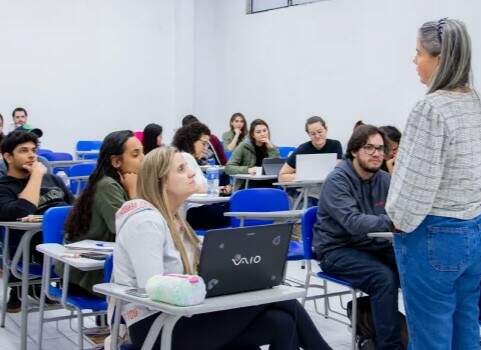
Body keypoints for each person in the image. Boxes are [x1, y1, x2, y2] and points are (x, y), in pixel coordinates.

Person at [113, 146, 333, 350]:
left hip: (188, 315)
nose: (191, 173)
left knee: (282, 322)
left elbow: (208, 264)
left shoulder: (175, 219)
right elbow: (152, 289)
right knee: (280, 298)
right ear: (161, 181)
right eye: (181, 169)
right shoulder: (145, 223)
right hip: (159, 326)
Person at [386, 18, 481, 349]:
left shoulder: (429, 108)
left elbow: (415, 189)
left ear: (439, 59)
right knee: (465, 330)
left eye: (418, 53)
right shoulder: (476, 102)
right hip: (474, 230)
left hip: (433, 236)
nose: (414, 60)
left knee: (430, 338)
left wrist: (397, 221)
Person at [313, 125, 403, 350]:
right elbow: (353, 223)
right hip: (336, 250)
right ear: (354, 150)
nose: (376, 154)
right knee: (383, 278)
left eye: (381, 149)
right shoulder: (337, 180)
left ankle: (422, 339)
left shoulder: (383, 179)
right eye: (369, 147)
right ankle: (389, 346)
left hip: (373, 244)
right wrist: (393, 223)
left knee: (415, 268)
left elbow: (399, 211)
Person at [0, 130, 74, 312]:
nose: (32, 155)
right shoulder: (4, 187)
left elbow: (76, 210)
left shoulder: (54, 179)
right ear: (8, 157)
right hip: (29, 254)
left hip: (67, 248)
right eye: (24, 150)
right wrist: (37, 176)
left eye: (34, 150)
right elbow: (21, 211)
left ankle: (103, 318)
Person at [63, 130, 143, 296]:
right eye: (136, 155)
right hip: (88, 276)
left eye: (143, 152)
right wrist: (134, 191)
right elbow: (128, 229)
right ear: (116, 161)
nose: (143, 158)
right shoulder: (108, 185)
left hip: (109, 265)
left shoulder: (126, 181)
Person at [172, 122, 230, 229]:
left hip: (199, 209)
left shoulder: (188, 158)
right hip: (195, 211)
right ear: (191, 140)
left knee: (234, 208)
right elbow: (195, 187)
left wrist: (217, 189)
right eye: (203, 143)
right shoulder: (185, 157)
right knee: (236, 210)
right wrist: (218, 190)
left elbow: (202, 187)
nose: (205, 148)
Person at [279, 116, 343, 182]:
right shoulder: (302, 149)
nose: (317, 136)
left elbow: (337, 171)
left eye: (320, 132)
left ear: (326, 130)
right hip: (308, 188)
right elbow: (281, 176)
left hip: (330, 185)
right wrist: (304, 176)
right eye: (313, 134)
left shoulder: (335, 145)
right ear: (308, 134)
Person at [225, 119, 280, 190]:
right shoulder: (244, 146)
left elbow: (278, 169)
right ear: (253, 135)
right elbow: (228, 168)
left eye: (265, 130)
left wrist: (271, 149)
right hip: (247, 184)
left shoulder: (272, 147)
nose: (263, 134)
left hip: (269, 183)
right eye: (258, 132)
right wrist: (247, 170)